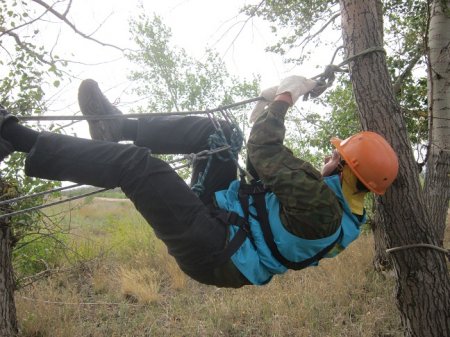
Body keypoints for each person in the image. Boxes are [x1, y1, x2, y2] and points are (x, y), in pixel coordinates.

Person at [0, 76, 399, 288]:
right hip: (226, 220)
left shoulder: (323, 208)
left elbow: (264, 151)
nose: (329, 157)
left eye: (337, 156)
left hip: (216, 251)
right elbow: (262, 170)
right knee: (220, 131)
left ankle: (16, 138)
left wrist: (285, 98)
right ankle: (116, 126)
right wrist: (263, 106)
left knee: (137, 166)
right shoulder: (338, 206)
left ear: (347, 170)